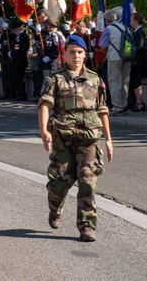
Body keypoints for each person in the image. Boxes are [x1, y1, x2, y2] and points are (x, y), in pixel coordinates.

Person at [38, 34, 112, 242]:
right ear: (65, 54)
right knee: (61, 182)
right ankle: (55, 205)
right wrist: (44, 131)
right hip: (63, 136)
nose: (76, 56)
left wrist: (108, 139)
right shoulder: (55, 79)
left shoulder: (95, 80)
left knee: (88, 181)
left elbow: (102, 109)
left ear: (85, 55)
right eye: (72, 52)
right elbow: (45, 105)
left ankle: (86, 226)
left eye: (80, 52)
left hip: (89, 137)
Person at [98, 10, 131, 115]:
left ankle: (117, 106)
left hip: (114, 57)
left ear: (107, 20)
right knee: (124, 82)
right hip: (127, 57)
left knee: (114, 82)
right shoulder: (125, 27)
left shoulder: (108, 29)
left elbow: (103, 47)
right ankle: (124, 104)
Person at [129, 12, 147, 112]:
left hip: (139, 59)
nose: (130, 21)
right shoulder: (137, 31)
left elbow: (139, 46)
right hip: (139, 58)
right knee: (135, 81)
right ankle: (138, 102)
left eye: (131, 20)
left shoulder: (140, 31)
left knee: (136, 80)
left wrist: (131, 52)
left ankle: (140, 103)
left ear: (135, 21)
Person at [9, 20, 29, 101]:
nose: (14, 32)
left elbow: (23, 49)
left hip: (21, 61)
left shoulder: (24, 36)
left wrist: (12, 52)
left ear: (20, 29)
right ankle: (18, 93)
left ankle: (22, 95)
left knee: (20, 79)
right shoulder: (16, 36)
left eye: (15, 30)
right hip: (16, 61)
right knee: (16, 79)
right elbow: (8, 36)